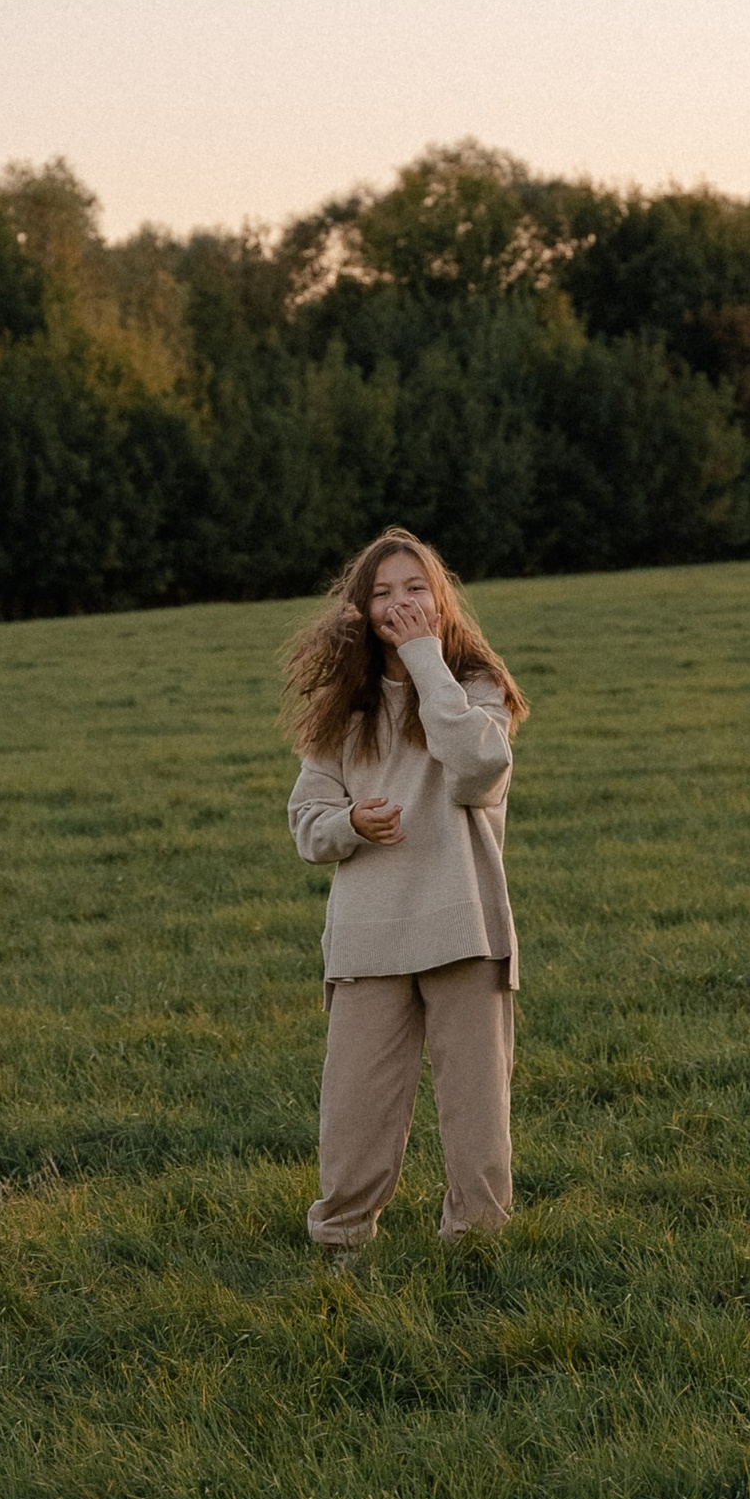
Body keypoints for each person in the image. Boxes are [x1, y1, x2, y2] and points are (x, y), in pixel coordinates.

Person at [282, 530, 527, 1258]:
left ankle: (476, 1254)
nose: (401, 604)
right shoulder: (342, 713)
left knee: (477, 1117)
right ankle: (341, 1249)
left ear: (441, 600)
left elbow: (480, 771)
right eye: (383, 593)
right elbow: (306, 824)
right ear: (361, 611)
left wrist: (426, 662)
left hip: (465, 930)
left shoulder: (476, 689)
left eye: (415, 589)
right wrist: (350, 821)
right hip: (368, 939)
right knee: (354, 1114)